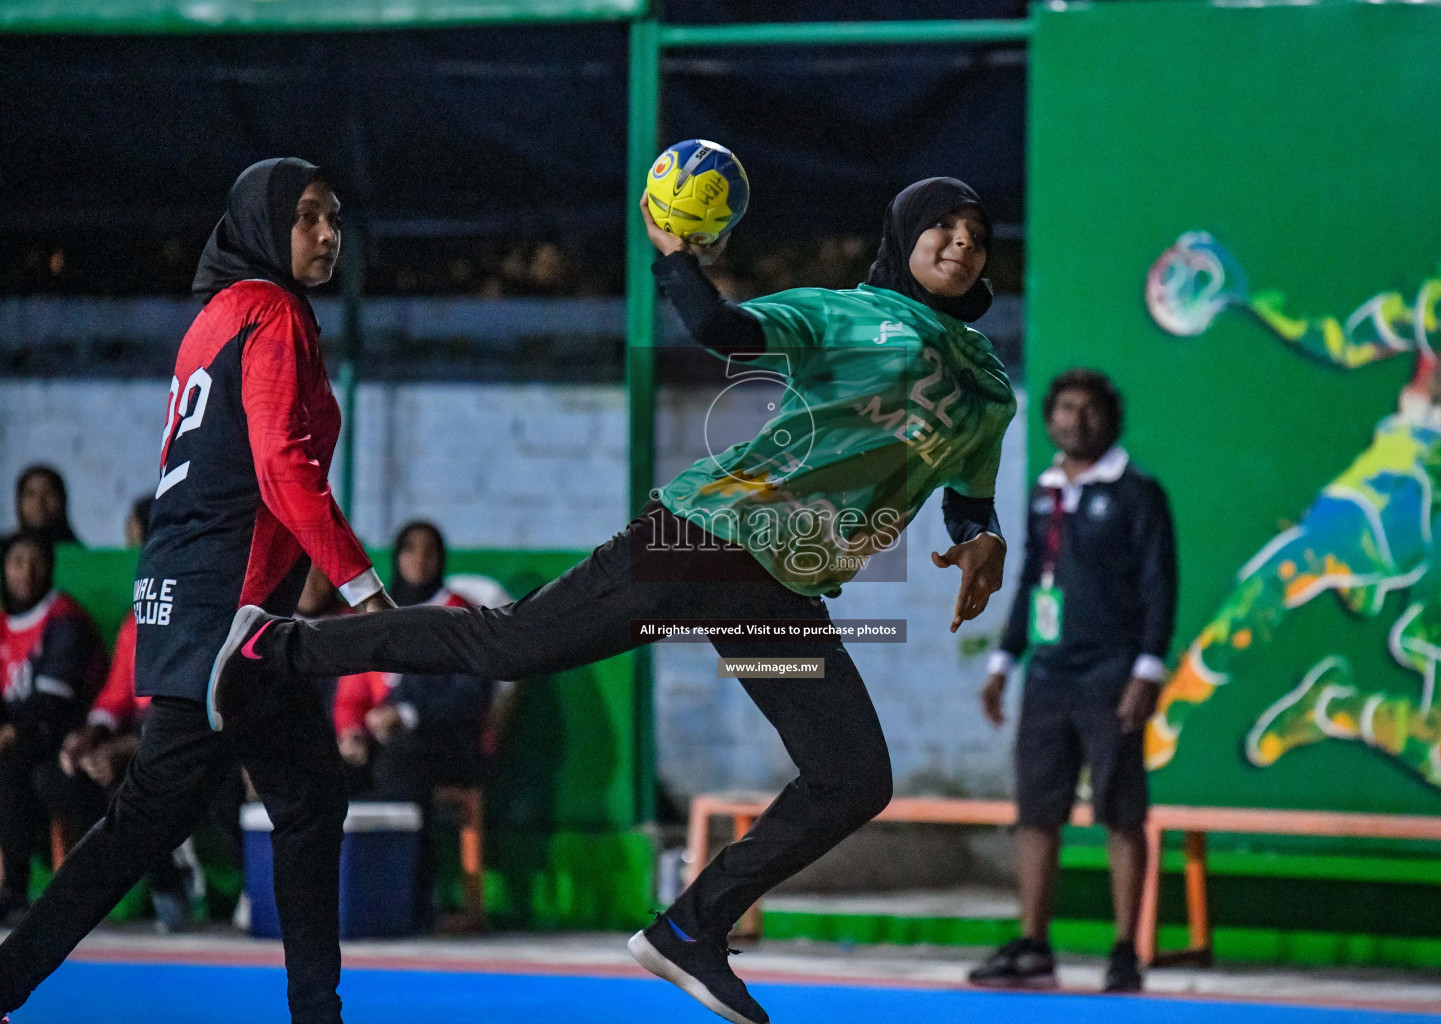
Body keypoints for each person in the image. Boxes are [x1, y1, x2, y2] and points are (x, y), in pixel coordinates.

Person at [213, 176, 1016, 1024]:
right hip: (703, 542)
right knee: (507, 645)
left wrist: (982, 536)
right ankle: (280, 647)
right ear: (902, 235)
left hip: (777, 595)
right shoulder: (844, 313)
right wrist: (677, 258)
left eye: (976, 229)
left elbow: (965, 490)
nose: (962, 240)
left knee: (854, 776)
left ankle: (689, 930)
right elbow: (721, 329)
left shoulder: (989, 387)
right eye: (942, 225)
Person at [0, 158, 392, 1024]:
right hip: (231, 609)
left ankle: (316, 1010)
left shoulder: (212, 318)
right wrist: (366, 591)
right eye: (309, 219)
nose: (328, 235)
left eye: (334, 219)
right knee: (150, 822)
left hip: (197, 593)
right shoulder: (273, 312)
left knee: (305, 797)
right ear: (263, 224)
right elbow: (284, 470)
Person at [1142, 100, 1441, 788]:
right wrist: (1249, 293)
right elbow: (1345, 342)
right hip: (1428, 459)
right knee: (1284, 574)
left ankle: (1331, 706)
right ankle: (1162, 718)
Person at [968, 369, 1176, 993]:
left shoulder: (1139, 494)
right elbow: (1033, 579)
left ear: (1110, 420)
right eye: (1063, 408)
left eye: (1088, 410)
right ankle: (1033, 945)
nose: (1074, 420)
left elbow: (1159, 586)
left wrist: (1148, 670)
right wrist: (1004, 662)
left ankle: (1123, 952)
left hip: (1113, 673)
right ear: (1049, 418)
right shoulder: (1043, 491)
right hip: (1048, 675)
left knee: (1120, 812)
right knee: (1036, 811)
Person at [35, 494, 201, 934]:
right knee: (65, 775)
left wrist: (123, 748)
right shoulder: (138, 620)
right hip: (138, 737)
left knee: (130, 784)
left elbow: (187, 704)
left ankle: (170, 882)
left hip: (183, 735)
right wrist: (88, 736)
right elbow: (115, 697)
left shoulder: (200, 615)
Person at [334, 522, 495, 927]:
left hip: (448, 742)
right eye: (409, 550)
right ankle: (344, 897)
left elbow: (471, 694)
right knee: (335, 767)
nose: (418, 561)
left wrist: (407, 716)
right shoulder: (377, 612)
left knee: (399, 764)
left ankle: (409, 899)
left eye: (428, 552)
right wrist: (351, 730)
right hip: (380, 743)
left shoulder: (458, 611)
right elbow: (353, 692)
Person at [0, 532, 106, 920]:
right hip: (19, 736)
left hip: (65, 737)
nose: (25, 571)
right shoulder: (3, 621)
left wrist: (9, 732)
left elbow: (52, 702)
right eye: (16, 561)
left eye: (35, 561)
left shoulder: (64, 618)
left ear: (49, 566)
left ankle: (13, 889)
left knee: (11, 769)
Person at [12, 467, 79, 547]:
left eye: (48, 493)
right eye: (31, 494)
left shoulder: (78, 555)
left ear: (62, 499)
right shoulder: (5, 551)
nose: (39, 502)